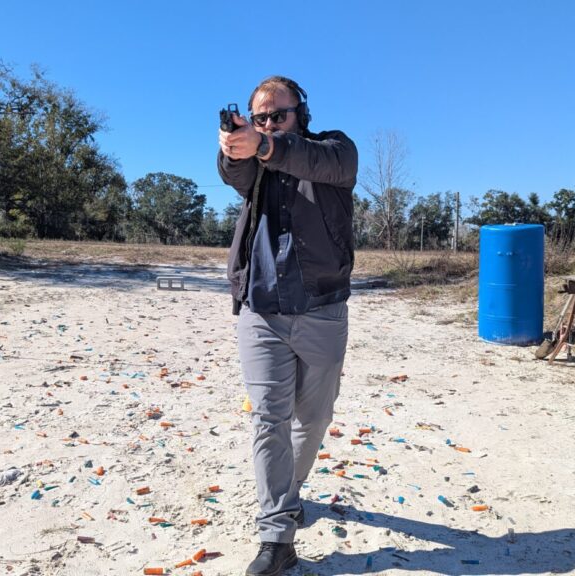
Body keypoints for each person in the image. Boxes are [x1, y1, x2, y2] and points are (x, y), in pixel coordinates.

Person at [217, 76, 357, 576]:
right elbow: (234, 176)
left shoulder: (335, 149)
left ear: (302, 113)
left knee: (313, 420)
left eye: (279, 114)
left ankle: (289, 493)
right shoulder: (257, 166)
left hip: (322, 308)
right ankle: (277, 536)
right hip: (261, 311)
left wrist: (267, 144)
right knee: (268, 419)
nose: (270, 123)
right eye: (261, 118)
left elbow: (318, 163)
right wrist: (236, 150)